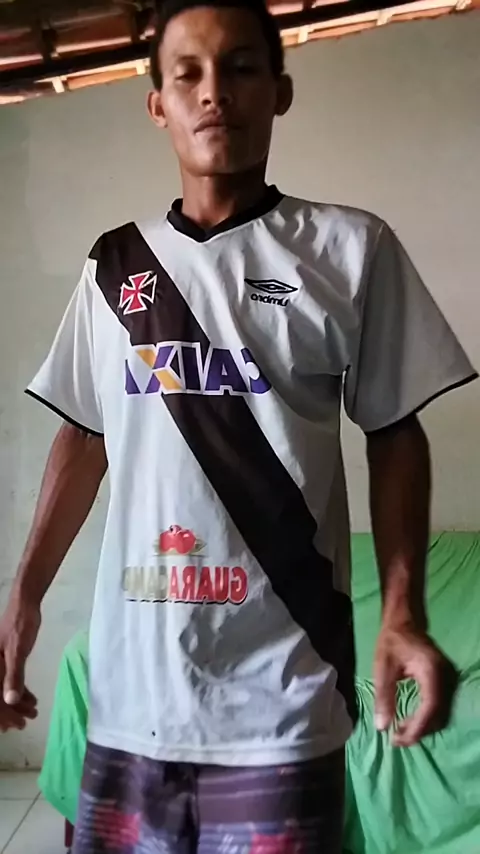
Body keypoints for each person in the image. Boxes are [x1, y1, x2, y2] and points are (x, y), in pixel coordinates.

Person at [0, 0, 477, 851]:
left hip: (282, 706)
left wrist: (402, 612)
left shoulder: (350, 250)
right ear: (158, 104)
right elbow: (84, 434)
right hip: (130, 705)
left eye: (241, 67)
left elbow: (394, 431)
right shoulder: (115, 266)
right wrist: (24, 598)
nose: (213, 91)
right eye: (187, 73)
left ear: (280, 91)